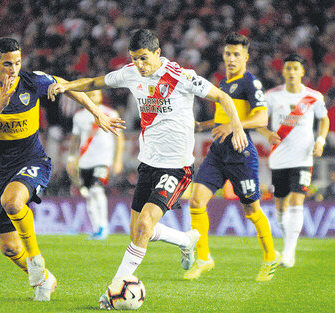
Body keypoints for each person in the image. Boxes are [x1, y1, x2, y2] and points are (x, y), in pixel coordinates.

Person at [48, 29, 248, 309]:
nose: (139, 65)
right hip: (148, 165)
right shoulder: (131, 73)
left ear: (157, 53)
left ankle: (112, 291)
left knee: (144, 225)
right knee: (138, 232)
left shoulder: (182, 77)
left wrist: (237, 127)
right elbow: (95, 82)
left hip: (177, 168)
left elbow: (223, 98)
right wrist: (67, 86)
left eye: (143, 58)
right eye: (134, 59)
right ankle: (184, 240)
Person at [0, 37, 124, 302]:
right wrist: (0, 104)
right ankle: (46, 278)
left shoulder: (31, 81)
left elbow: (68, 87)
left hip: (33, 161)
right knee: (8, 247)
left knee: (12, 201)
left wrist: (97, 112)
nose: (13, 69)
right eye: (7, 64)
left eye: (17, 62)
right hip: (1, 170)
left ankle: (36, 261)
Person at [185, 32, 280, 282]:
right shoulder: (223, 85)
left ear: (246, 57)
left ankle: (270, 256)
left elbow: (261, 118)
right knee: (196, 201)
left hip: (241, 154)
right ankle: (204, 258)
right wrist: (204, 125)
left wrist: (234, 126)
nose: (231, 58)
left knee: (252, 209)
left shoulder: (250, 83)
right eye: (228, 53)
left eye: (236, 54)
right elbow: (222, 120)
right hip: (218, 152)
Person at [258, 54, 330, 267]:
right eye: (287, 68)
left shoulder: (313, 97)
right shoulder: (272, 96)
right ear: (283, 72)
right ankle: (287, 238)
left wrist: (321, 140)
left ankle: (289, 253)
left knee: (297, 200)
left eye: (295, 68)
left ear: (302, 72)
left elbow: (324, 119)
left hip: (303, 157)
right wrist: (267, 133)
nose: (291, 72)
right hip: (279, 158)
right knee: (280, 205)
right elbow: (260, 122)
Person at [67, 90, 125, 240]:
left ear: (101, 96)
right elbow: (75, 139)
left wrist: (117, 160)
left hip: (103, 160)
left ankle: (104, 226)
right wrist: (71, 158)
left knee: (96, 190)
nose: (94, 97)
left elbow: (119, 138)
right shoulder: (79, 116)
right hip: (85, 161)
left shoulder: (110, 113)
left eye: (96, 94)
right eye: (91, 94)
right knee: (88, 195)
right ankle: (96, 228)